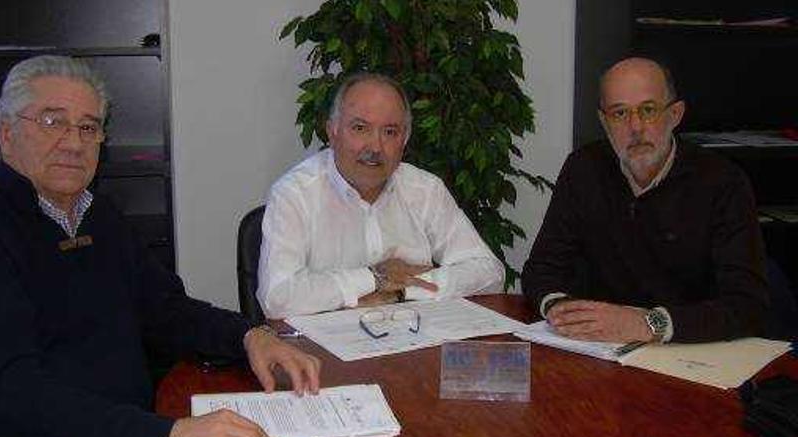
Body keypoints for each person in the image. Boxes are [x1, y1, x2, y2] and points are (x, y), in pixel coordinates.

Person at [0, 55, 321, 437]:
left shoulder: (99, 217)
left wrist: (249, 337)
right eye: (53, 121)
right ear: (6, 132)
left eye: (89, 127)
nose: (74, 142)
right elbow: (15, 397)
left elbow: (165, 310)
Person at [522, 57, 769, 344]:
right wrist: (561, 309)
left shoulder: (722, 182)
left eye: (648, 110)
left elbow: (748, 304)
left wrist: (649, 324)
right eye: (619, 113)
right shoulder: (584, 168)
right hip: (602, 350)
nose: (635, 126)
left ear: (675, 114)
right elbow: (541, 270)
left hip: (693, 353)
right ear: (604, 122)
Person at [257, 73, 505, 319]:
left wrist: (400, 293)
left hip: (414, 344)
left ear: (404, 140)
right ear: (332, 132)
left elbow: (489, 273)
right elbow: (277, 297)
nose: (375, 147)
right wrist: (374, 277)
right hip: (325, 351)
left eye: (390, 132)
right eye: (360, 128)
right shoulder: (295, 193)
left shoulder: (425, 190)